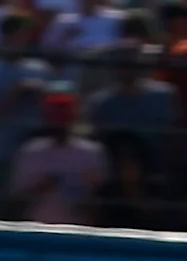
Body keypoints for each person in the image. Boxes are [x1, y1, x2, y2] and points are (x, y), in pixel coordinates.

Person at [9, 93, 111, 226]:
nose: (60, 125)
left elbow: (102, 198)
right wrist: (41, 187)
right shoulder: (31, 151)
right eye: (55, 119)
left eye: (64, 119)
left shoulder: (91, 152)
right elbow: (16, 198)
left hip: (79, 229)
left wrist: (89, 193)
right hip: (37, 227)